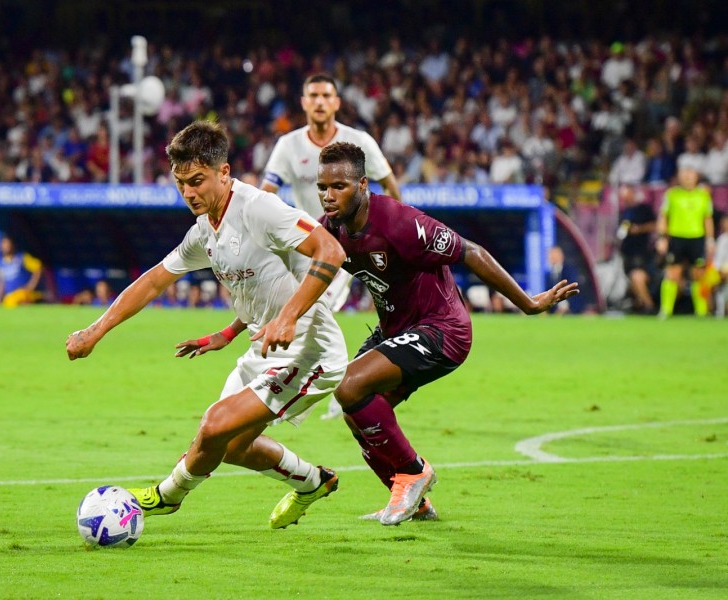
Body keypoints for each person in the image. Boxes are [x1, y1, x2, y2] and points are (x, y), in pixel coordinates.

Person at [66, 121, 349, 530]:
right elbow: (154, 280)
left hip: (310, 348)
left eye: (197, 181)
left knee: (214, 424)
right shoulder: (204, 229)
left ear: (224, 172)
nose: (189, 193)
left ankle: (167, 497)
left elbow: (330, 250)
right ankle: (313, 482)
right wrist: (96, 330)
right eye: (181, 183)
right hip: (263, 345)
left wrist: (287, 318)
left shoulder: (259, 208)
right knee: (230, 446)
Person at [313, 142, 578, 525]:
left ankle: (415, 471)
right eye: (322, 187)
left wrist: (528, 303)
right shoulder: (330, 229)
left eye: (338, 186)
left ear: (363, 185)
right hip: (396, 329)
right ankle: (413, 503)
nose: (327, 195)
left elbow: (471, 252)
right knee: (356, 413)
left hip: (442, 329)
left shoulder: (399, 223)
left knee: (349, 386)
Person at [260, 72, 401, 419]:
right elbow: (267, 194)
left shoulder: (359, 141)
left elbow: (388, 183)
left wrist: (397, 228)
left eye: (326, 95)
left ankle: (300, 390)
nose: (320, 101)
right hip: (304, 244)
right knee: (303, 310)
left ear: (336, 102)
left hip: (346, 245)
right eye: (314, 95)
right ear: (304, 102)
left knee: (310, 308)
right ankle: (339, 380)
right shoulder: (288, 145)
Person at [655, 166, 715, 317]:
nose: (688, 177)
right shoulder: (672, 195)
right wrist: (662, 238)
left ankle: (701, 312)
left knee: (698, 275)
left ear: (696, 177)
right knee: (673, 273)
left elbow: (707, 219)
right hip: (677, 238)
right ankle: (666, 310)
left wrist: (710, 239)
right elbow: (663, 217)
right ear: (679, 177)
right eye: (684, 175)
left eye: (691, 174)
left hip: (696, 238)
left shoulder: (703, 196)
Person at [616, 186, 658, 314]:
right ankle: (642, 305)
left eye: (626, 195)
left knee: (637, 277)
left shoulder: (644, 209)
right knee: (633, 280)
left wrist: (639, 229)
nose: (624, 199)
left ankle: (650, 307)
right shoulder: (623, 212)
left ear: (633, 194)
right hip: (627, 255)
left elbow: (655, 225)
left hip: (642, 254)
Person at [0, 235, 44, 308]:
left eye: (8, 244)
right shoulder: (1, 263)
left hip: (23, 294)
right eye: (3, 244)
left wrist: (30, 286)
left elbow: (38, 268)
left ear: (12, 245)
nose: (6, 246)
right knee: (8, 303)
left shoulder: (22, 257)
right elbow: (2, 282)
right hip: (9, 296)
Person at [713, 214, 728, 317]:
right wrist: (719, 272)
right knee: (717, 285)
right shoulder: (721, 239)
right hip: (722, 270)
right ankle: (719, 312)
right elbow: (717, 260)